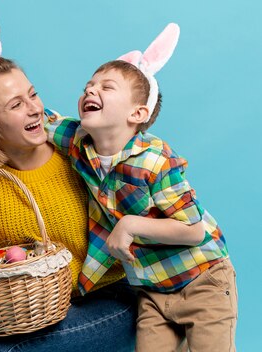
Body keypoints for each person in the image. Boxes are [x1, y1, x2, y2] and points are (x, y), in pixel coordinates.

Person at [0, 8, 136, 352]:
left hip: (112, 297)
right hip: (42, 309)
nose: (35, 108)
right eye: (16, 105)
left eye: (33, 94)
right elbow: (9, 266)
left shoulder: (78, 150)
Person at [45, 24, 237, 351]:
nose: (90, 91)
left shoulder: (157, 160)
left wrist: (130, 224)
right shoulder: (79, 141)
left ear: (138, 113)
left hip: (202, 279)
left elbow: (193, 230)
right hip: (152, 290)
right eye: (88, 86)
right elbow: (40, 122)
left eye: (107, 87)